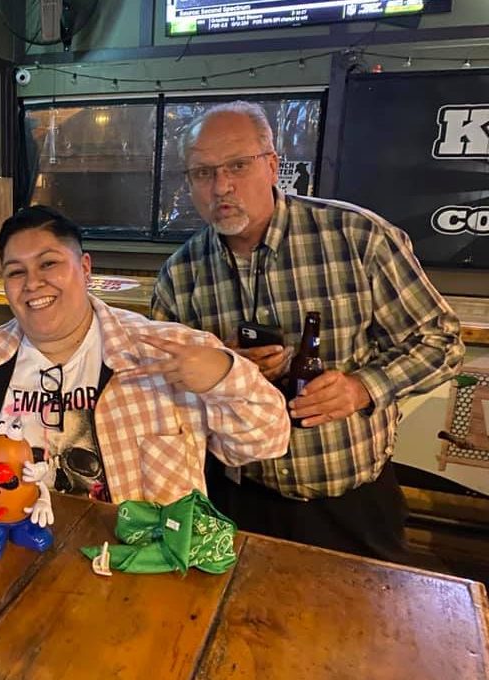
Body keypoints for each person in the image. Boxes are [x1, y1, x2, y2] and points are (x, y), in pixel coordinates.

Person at [151, 101, 465, 561]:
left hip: (352, 504)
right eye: (203, 172)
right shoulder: (180, 276)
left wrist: (361, 388)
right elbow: (163, 401)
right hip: (237, 501)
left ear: (272, 165)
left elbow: (441, 342)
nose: (221, 186)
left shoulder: (356, 237)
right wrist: (222, 370)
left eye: (238, 165)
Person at [0, 206, 290, 505]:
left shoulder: (165, 351)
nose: (32, 283)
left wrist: (224, 376)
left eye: (49, 263)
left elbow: (267, 441)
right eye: (16, 271)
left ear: (85, 267)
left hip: (136, 570)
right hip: (9, 554)